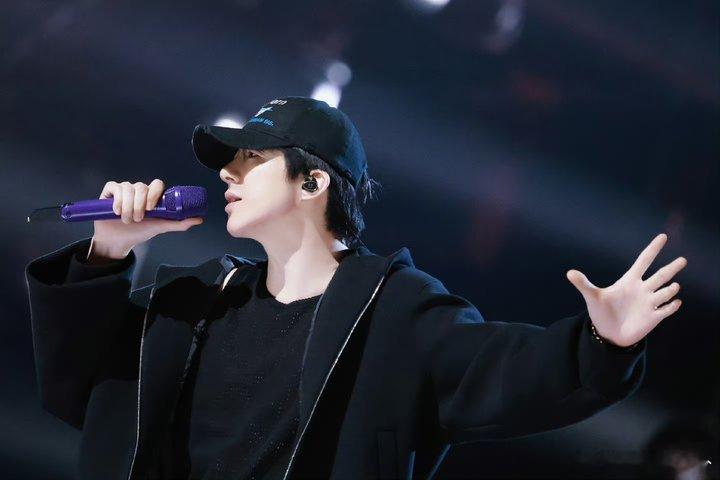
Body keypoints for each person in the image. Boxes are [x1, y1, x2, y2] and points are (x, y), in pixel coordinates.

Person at [25, 96, 686, 480]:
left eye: (251, 158)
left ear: (313, 182)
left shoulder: (395, 311)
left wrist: (604, 342)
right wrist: (109, 251)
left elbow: (511, 371)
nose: (227, 173)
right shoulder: (195, 302)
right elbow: (76, 388)